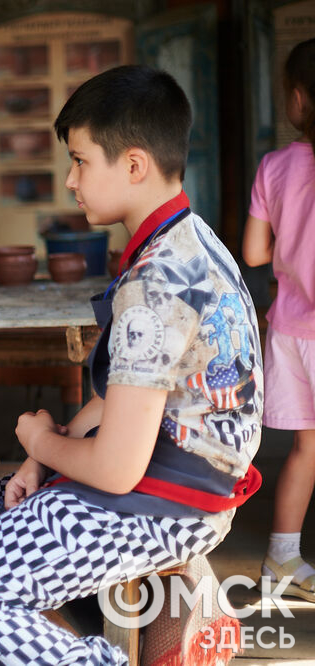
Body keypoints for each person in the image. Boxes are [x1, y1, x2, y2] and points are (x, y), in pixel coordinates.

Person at [0, 65, 264, 664]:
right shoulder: (194, 240)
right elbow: (140, 389)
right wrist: (60, 442)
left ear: (134, 165)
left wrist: (43, 444)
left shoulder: (155, 284)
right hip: (192, 484)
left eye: (80, 161)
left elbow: (118, 469)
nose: (70, 180)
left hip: (160, 506)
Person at [243, 37, 315, 603]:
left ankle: (281, 558)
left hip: (290, 330)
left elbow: (253, 253)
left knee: (305, 451)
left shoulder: (275, 166)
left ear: (297, 100)